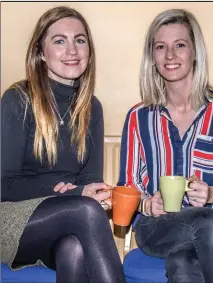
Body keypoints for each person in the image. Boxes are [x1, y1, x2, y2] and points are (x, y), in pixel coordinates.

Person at [1, 6, 126, 283]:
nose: (72, 50)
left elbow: (89, 181)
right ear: (41, 53)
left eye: (80, 40)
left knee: (75, 249)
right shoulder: (17, 99)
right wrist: (71, 194)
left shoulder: (92, 108)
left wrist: (96, 192)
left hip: (65, 219)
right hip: (11, 219)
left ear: (89, 52)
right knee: (84, 209)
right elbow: (4, 185)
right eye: (59, 41)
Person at [118, 9, 213, 283]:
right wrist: (147, 204)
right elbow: (126, 189)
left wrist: (212, 194)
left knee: (183, 263)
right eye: (160, 47)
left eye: (180, 45)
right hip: (157, 228)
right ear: (152, 57)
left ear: (195, 52)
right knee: (209, 225)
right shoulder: (139, 117)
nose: (170, 55)